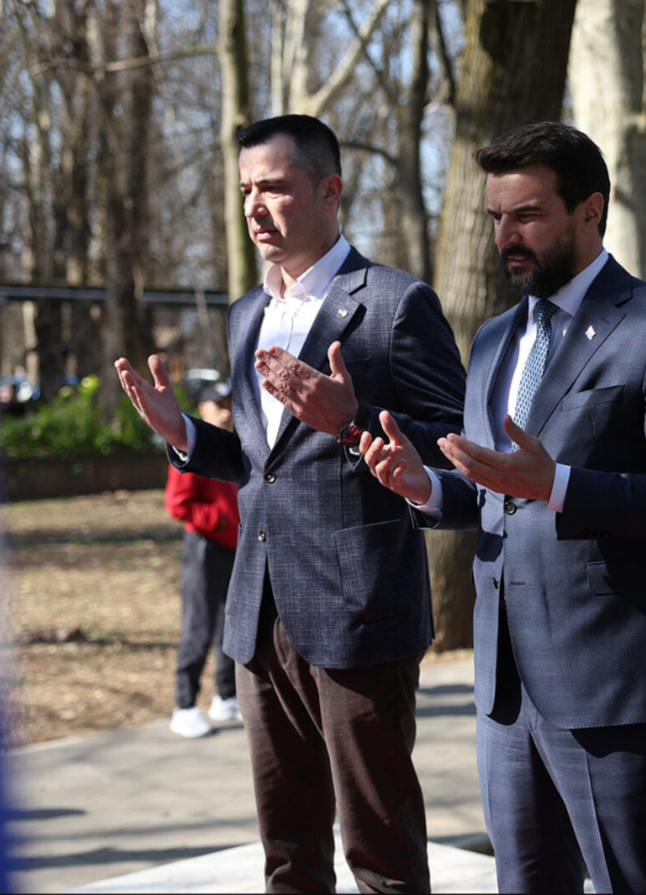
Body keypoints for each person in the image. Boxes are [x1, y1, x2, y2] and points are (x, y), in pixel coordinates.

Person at [360, 122, 646, 894]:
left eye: (526, 214)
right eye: (496, 217)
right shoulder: (494, 338)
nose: (506, 236)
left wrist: (560, 484)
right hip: (505, 688)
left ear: (590, 210)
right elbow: (496, 490)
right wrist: (424, 487)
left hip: (613, 686)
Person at [115, 114, 466, 893]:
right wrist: (182, 434)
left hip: (360, 615)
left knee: (383, 857)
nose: (254, 206)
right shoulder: (247, 313)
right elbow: (261, 463)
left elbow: (454, 448)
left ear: (329, 190)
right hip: (257, 617)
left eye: (273, 186)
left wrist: (352, 421)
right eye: (246, 189)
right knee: (288, 857)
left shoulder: (396, 303)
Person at [163, 383, 240, 738]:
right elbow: (177, 504)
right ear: (202, 409)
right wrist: (220, 522)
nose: (225, 411)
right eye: (217, 404)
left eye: (228, 404)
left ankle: (226, 696)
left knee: (230, 624)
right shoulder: (192, 447)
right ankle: (184, 706)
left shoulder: (231, 443)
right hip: (205, 547)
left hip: (233, 546)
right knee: (199, 626)